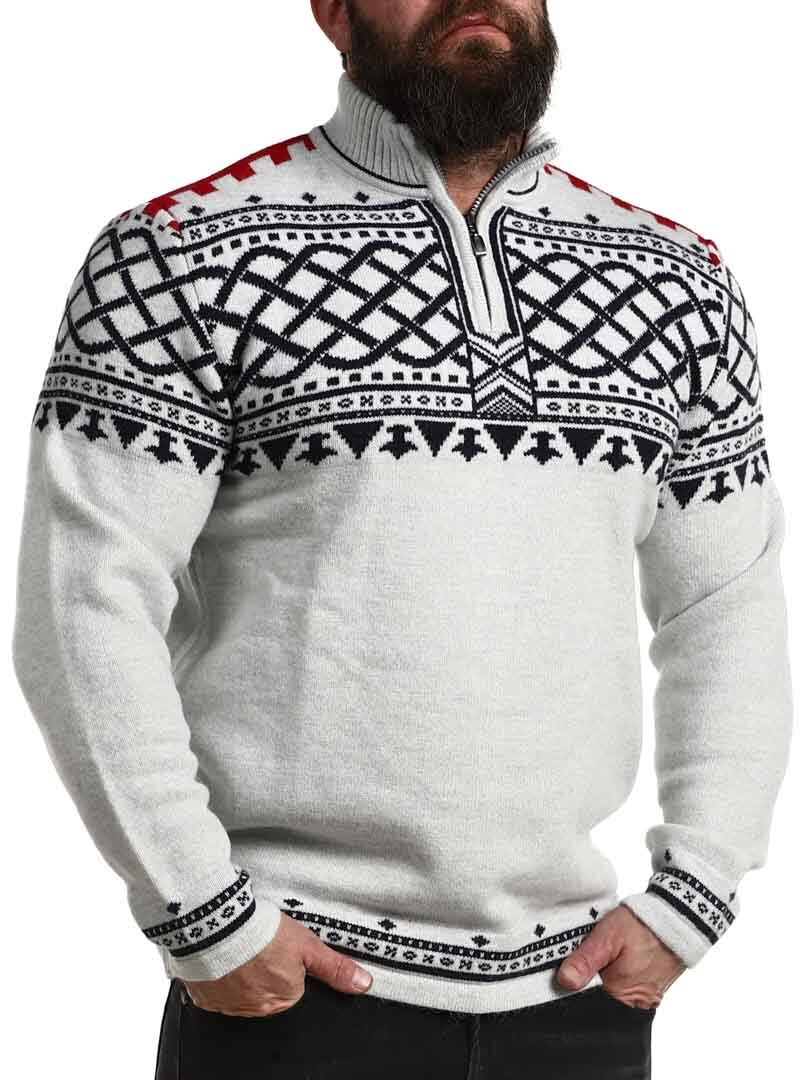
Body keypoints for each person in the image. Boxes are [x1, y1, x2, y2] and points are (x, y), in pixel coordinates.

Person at [11, 1, 793, 1078]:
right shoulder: (176, 252)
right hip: (289, 992)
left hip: (581, 996)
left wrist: (693, 894)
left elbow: (727, 605)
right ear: (332, 9)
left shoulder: (678, 279)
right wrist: (202, 914)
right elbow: (83, 603)